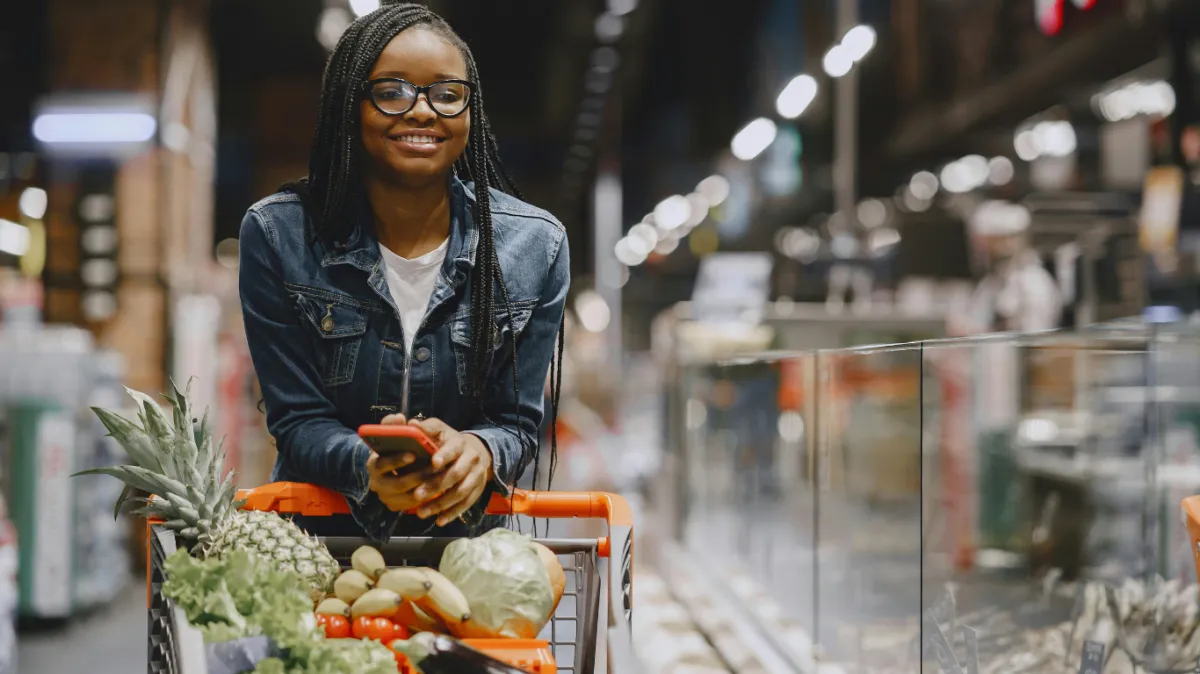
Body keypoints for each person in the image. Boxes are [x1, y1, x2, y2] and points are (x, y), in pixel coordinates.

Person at [238, 3, 569, 541]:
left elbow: (517, 424)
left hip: (472, 557)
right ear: (351, 105)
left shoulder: (534, 246)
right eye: (391, 91)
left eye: (446, 93)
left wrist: (480, 451)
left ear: (470, 109)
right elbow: (297, 422)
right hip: (321, 551)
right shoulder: (280, 236)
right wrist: (368, 468)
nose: (422, 111)